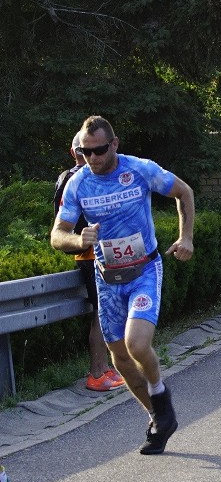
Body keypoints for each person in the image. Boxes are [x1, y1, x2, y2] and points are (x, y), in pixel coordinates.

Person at [51, 115, 195, 455]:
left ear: (114, 144)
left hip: (144, 270)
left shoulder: (140, 169)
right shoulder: (78, 184)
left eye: (99, 150)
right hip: (107, 277)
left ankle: (160, 394)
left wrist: (186, 237)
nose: (93, 159)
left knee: (136, 343)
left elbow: (183, 192)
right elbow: (57, 235)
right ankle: (159, 418)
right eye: (85, 152)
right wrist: (77, 240)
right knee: (120, 359)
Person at [53, 133, 125, 392]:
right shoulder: (73, 178)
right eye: (87, 152)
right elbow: (63, 224)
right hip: (90, 255)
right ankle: (96, 373)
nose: (93, 157)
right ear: (76, 153)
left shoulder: (91, 178)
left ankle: (107, 368)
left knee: (107, 312)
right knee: (99, 313)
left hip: (104, 252)